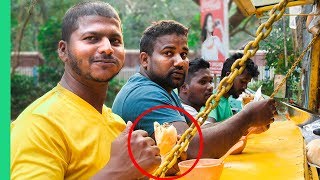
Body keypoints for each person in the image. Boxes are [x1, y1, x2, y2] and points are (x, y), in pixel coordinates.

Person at [10, 2, 161, 179]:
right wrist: (117, 170)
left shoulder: (117, 124)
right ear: (63, 50)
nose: (107, 48)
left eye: (115, 40)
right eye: (92, 38)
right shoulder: (39, 124)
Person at [112, 20, 276, 163]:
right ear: (145, 60)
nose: (180, 62)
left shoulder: (163, 90)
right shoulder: (144, 94)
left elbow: (194, 132)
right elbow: (189, 148)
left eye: (183, 54)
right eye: (168, 53)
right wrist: (247, 118)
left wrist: (247, 125)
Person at [206, 53, 260, 123]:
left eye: (247, 83)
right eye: (243, 81)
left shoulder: (225, 100)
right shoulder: (211, 100)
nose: (245, 87)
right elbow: (207, 129)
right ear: (229, 77)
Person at [178, 57, 213, 123]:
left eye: (210, 82)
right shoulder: (181, 115)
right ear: (184, 88)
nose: (210, 87)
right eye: (203, 82)